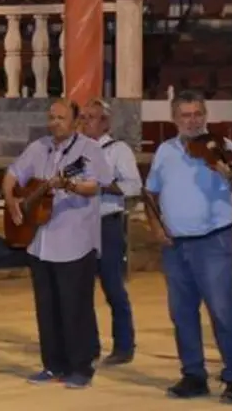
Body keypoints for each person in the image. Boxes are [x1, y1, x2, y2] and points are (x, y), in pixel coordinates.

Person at [145, 90, 232, 404]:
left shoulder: (223, 147)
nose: (192, 121)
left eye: (197, 114)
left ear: (205, 115)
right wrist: (156, 227)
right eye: (186, 115)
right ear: (174, 119)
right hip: (175, 244)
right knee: (182, 312)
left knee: (223, 310)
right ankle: (193, 375)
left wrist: (227, 174)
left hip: (213, 241)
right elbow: (150, 192)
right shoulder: (165, 151)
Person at [2, 99, 112, 390]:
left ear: (76, 121)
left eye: (61, 118)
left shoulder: (89, 150)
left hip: (75, 241)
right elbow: (12, 174)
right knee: (47, 308)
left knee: (75, 307)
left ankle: (81, 367)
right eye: (51, 117)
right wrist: (12, 201)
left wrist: (69, 185)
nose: (54, 123)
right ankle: (53, 365)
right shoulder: (39, 147)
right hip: (39, 242)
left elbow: (94, 185)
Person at [79, 99, 142, 365]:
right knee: (80, 289)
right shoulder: (76, 150)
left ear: (105, 122)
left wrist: (102, 184)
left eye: (91, 118)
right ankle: (87, 346)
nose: (85, 123)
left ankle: (124, 346)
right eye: (82, 118)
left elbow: (134, 186)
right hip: (80, 225)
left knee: (113, 286)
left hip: (107, 224)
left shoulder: (118, 150)